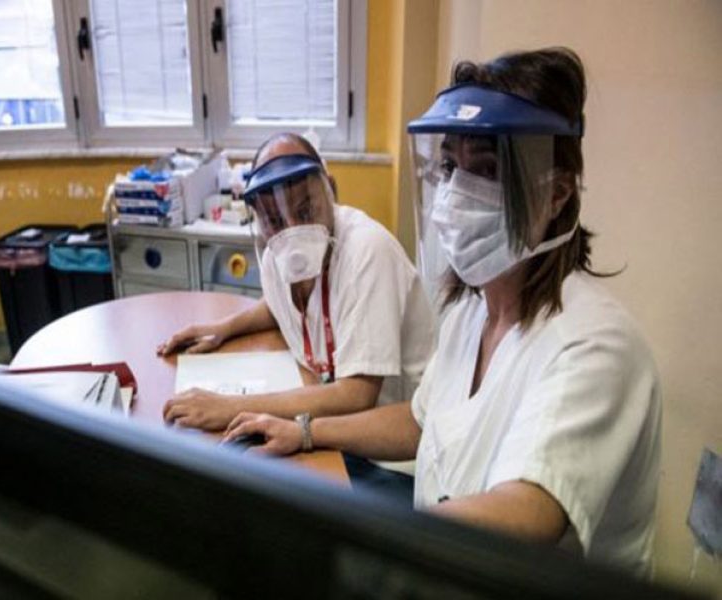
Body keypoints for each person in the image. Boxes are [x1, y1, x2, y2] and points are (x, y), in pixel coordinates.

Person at [223, 48, 661, 576]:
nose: (455, 194)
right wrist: (305, 431)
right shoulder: (471, 312)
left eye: (489, 170)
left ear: (556, 194)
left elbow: (527, 511)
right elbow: (419, 419)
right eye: (451, 166)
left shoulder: (595, 344)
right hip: (450, 566)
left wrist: (354, 541)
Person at [159, 134, 433, 445]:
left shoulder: (368, 251)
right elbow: (282, 306)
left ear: (330, 191)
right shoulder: (278, 255)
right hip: (330, 421)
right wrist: (223, 328)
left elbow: (356, 394)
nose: (292, 232)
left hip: (388, 447)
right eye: (274, 219)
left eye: (304, 211)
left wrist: (229, 407)